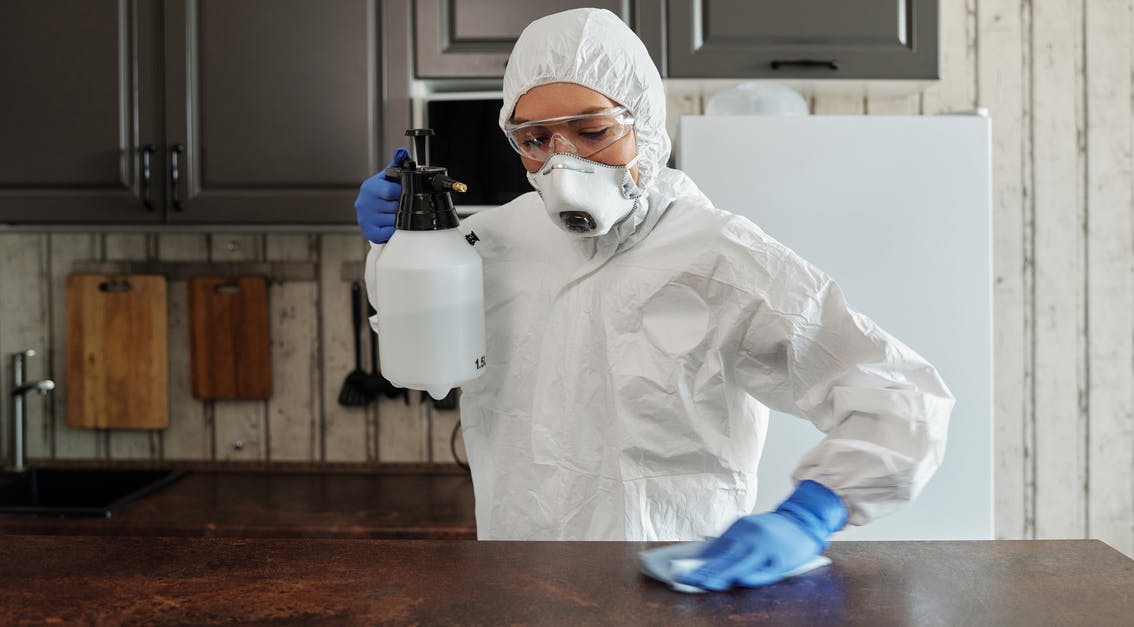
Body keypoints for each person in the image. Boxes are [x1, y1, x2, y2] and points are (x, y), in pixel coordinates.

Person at [358, 8, 954, 592]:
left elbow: (900, 394)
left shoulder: (720, 256)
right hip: (524, 579)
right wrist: (399, 246)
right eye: (535, 140)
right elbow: (419, 339)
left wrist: (811, 515)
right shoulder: (493, 242)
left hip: (679, 583)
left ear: (642, 119)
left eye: (592, 132)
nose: (562, 165)